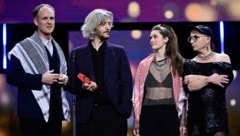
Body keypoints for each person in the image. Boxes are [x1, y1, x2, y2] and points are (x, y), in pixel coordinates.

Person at [6, 4, 70, 136]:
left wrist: (64, 78)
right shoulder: (22, 48)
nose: (49, 22)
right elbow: (11, 76)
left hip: (55, 114)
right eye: (45, 18)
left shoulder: (57, 48)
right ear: (36, 21)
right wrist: (40, 79)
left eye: (51, 18)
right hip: (32, 115)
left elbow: (62, 72)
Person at [67, 9, 133, 136]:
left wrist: (123, 109)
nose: (108, 27)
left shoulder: (119, 52)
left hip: (114, 115)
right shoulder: (77, 53)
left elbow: (127, 83)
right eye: (103, 24)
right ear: (93, 26)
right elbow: (70, 83)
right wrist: (83, 87)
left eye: (109, 24)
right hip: (88, 116)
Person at [132, 24, 187, 136]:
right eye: (150, 37)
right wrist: (136, 121)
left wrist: (183, 121)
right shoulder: (143, 64)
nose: (151, 40)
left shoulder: (178, 63)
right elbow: (136, 94)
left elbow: (183, 96)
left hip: (170, 112)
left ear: (166, 39)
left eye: (155, 37)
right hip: (148, 113)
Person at [183, 25, 234, 136]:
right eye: (190, 38)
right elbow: (189, 87)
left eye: (195, 37)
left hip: (217, 117)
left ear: (207, 39)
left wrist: (195, 78)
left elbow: (223, 81)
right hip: (195, 118)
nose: (191, 41)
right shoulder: (189, 63)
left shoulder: (223, 58)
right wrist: (210, 79)